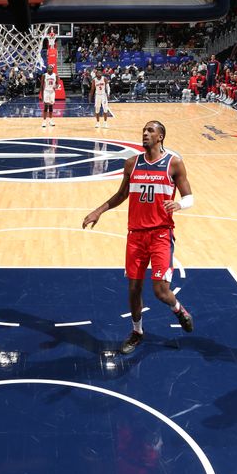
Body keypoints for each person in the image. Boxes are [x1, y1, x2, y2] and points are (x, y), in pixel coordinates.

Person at [82, 120, 194, 354]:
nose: (145, 133)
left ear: (161, 136)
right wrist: (98, 211)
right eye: (143, 130)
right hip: (136, 235)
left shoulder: (174, 164)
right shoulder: (132, 164)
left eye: (150, 130)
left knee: (161, 290)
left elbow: (189, 197)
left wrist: (179, 204)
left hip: (161, 233)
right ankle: (137, 332)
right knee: (133, 289)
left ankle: (179, 310)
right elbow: (121, 194)